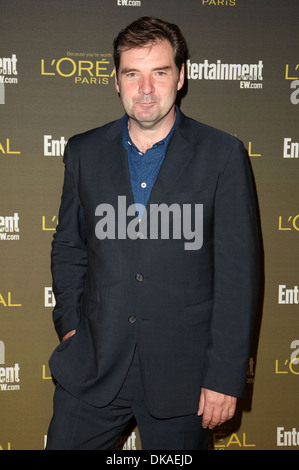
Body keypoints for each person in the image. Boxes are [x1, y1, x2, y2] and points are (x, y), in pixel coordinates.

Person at [46, 17, 260, 450]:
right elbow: (70, 246)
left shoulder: (223, 154)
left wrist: (224, 376)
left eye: (159, 72)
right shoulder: (84, 152)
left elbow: (239, 275)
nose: (146, 88)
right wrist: (71, 326)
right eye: (132, 74)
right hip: (94, 363)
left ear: (180, 77)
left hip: (186, 375)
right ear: (116, 81)